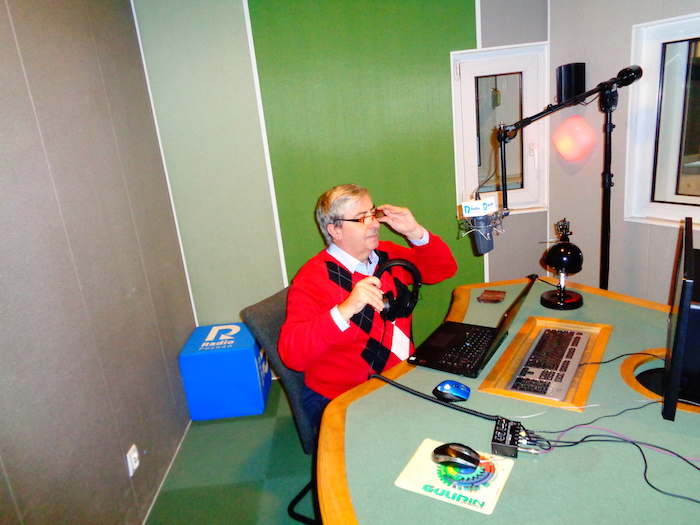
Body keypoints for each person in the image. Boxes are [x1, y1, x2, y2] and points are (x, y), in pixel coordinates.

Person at [279, 184, 457, 430]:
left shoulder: (387, 255)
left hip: (401, 379)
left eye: (372, 213)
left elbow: (443, 269)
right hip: (343, 397)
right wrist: (344, 310)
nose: (374, 224)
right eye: (362, 218)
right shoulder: (312, 278)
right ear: (335, 230)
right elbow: (293, 356)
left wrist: (415, 232)